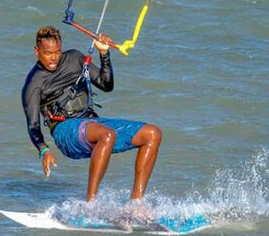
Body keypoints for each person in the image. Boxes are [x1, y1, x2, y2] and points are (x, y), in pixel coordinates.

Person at [20, 25, 163, 205]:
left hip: (90, 122)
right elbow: (33, 125)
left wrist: (104, 54)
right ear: (36, 51)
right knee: (107, 135)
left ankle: (136, 205)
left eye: (57, 52)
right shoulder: (33, 83)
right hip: (65, 130)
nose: (53, 58)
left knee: (152, 134)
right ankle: (91, 204)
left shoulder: (74, 58)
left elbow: (106, 84)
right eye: (48, 53)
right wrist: (44, 149)